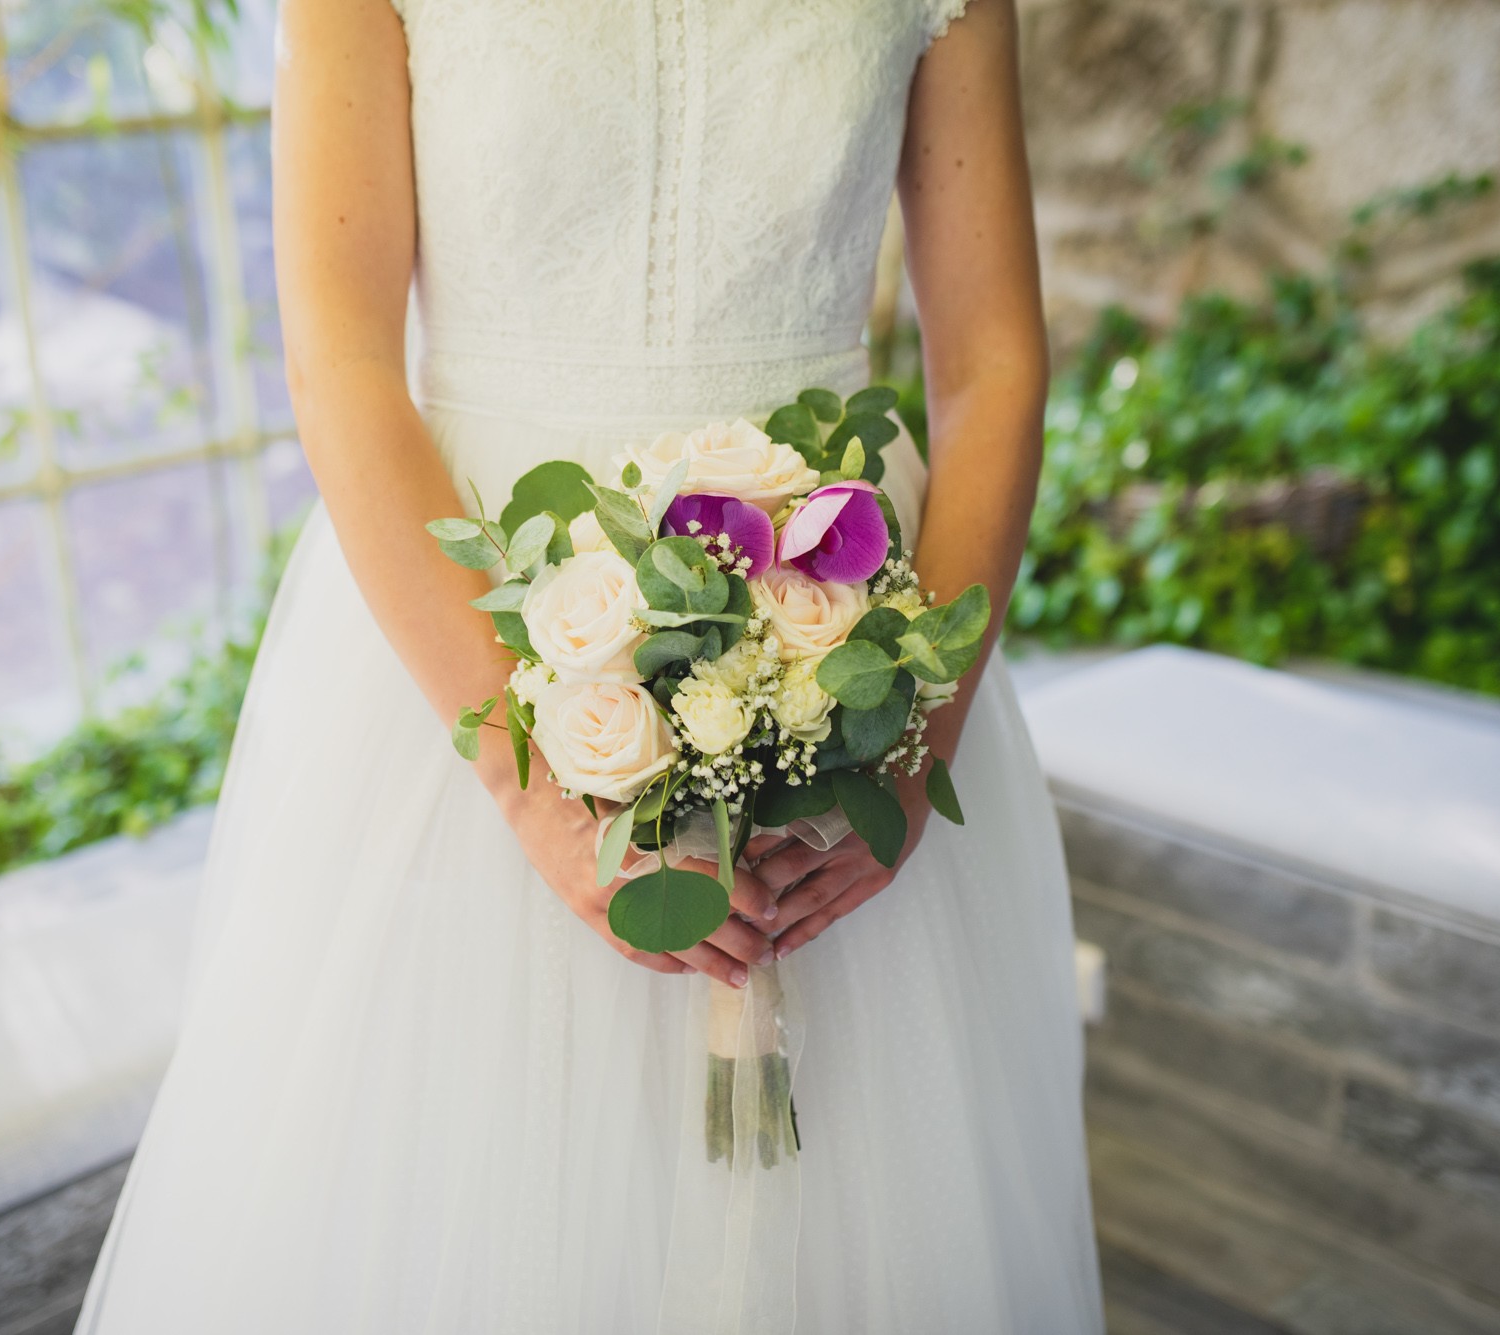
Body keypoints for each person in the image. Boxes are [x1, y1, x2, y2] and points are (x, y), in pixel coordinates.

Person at [75, 1, 1102, 1329]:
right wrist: (531, 790)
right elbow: (339, 363)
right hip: (468, 643)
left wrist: (915, 747)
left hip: (843, 630)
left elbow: (995, 363)